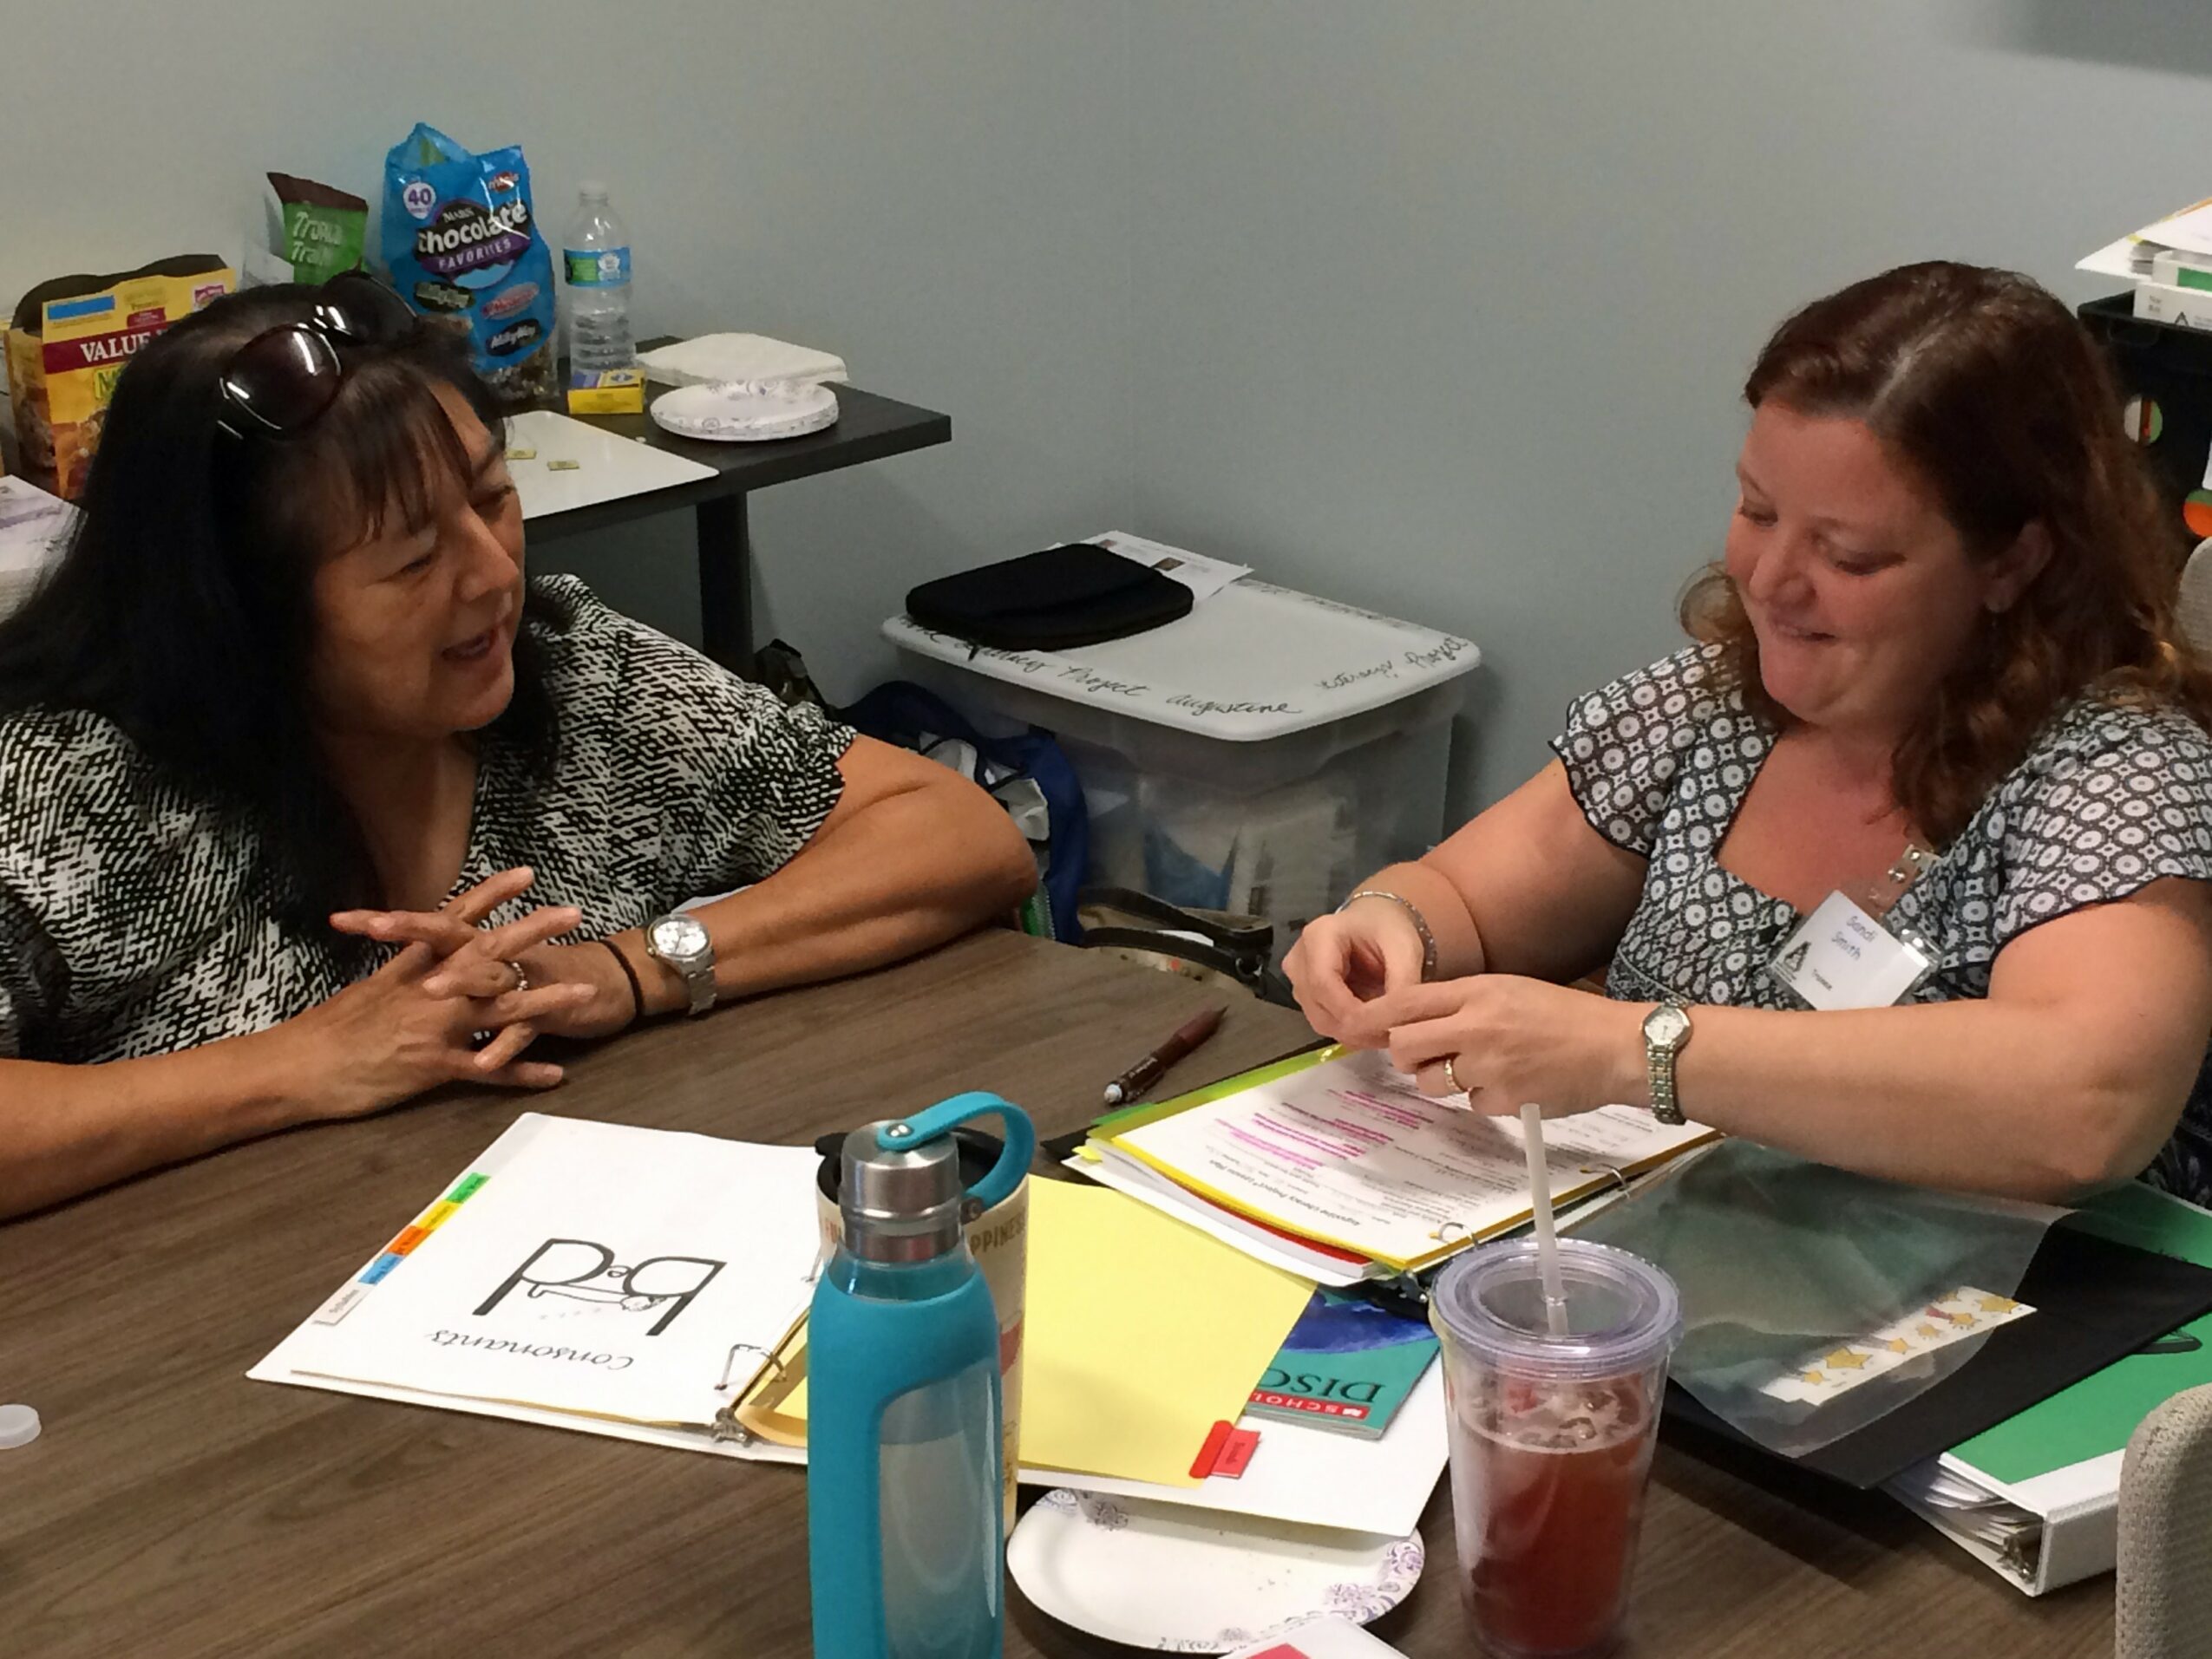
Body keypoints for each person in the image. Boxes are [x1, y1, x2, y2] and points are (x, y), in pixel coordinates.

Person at [0, 277, 1037, 1219]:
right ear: (244, 610)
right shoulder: (65, 782)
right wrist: (301, 1063)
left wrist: (636, 968)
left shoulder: (573, 668)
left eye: (493, 498)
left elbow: (956, 833)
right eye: (416, 558)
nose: (495, 574)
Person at [1287, 260, 2212, 1206]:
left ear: (2013, 561)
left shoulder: (2119, 770)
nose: (1771, 580)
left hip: (2007, 1290)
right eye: (1757, 510)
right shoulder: (1715, 706)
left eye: (1849, 555)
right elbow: (1463, 898)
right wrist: (1385, 929)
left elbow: (2086, 1102)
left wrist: (1637, 1050)